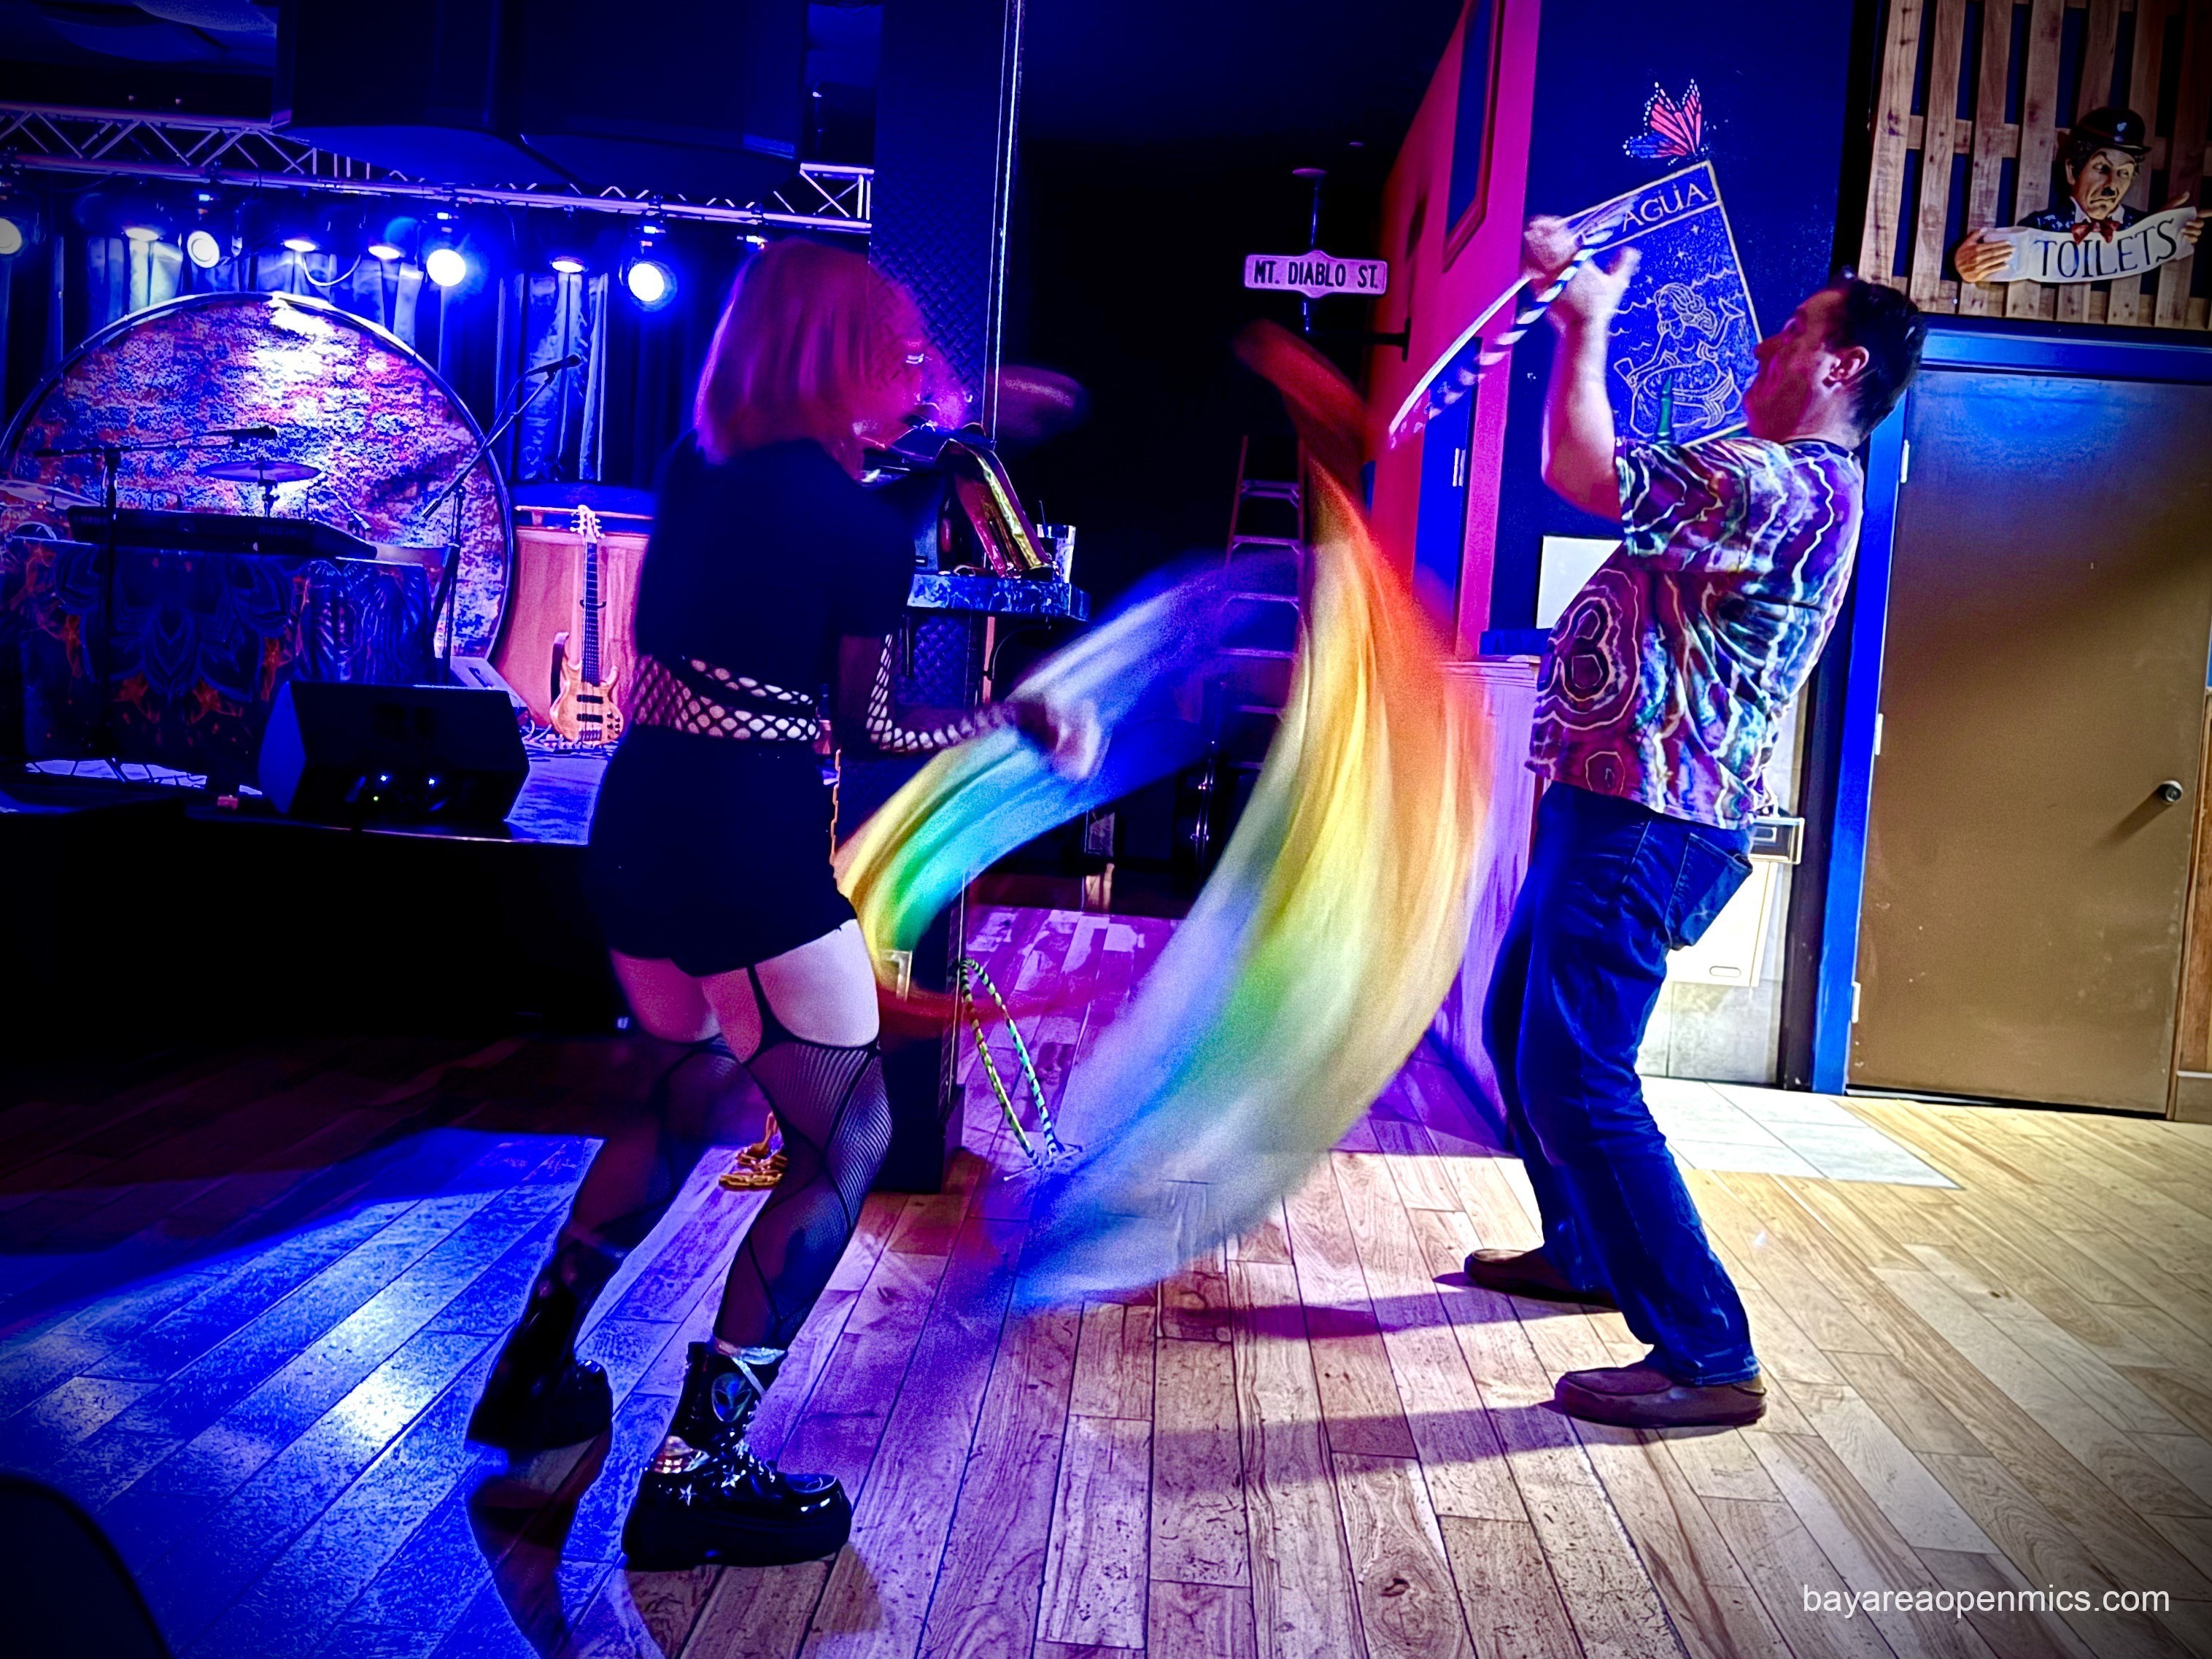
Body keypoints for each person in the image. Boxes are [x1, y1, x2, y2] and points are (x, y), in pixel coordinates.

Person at [465, 239, 1084, 1568]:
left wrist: (953, 436)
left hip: (635, 825)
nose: (912, 367)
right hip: (747, 846)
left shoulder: (701, 463)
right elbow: (866, 725)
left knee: (682, 1089)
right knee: (850, 1136)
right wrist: (1007, 720)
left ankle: (534, 1364)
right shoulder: (855, 530)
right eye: (893, 347)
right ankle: (701, 1465)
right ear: (839, 356)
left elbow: (810, 520)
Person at [1468, 220, 1925, 1428]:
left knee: (1576, 1067)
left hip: (1651, 819)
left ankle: (1708, 1349)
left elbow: (1584, 471)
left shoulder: (1783, 478)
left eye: (1796, 333)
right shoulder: (1771, 474)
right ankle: (1582, 1248)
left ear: (1844, 369)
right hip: (1619, 806)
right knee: (1524, 1025)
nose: (1770, 343)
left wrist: (1586, 323)